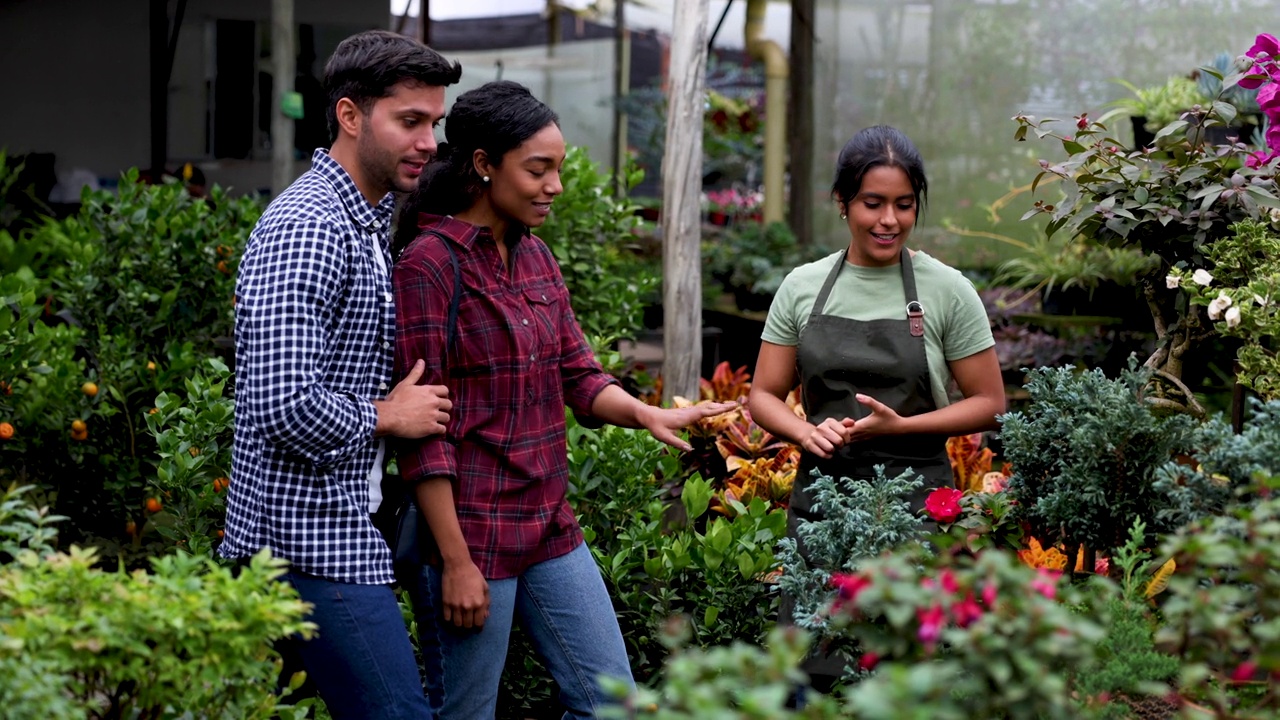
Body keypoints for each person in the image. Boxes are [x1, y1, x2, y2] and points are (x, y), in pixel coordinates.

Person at [390, 80, 736, 719]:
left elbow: (577, 373)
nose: (553, 185)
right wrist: (456, 561)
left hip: (548, 522)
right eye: (537, 169)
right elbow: (421, 432)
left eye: (559, 169)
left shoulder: (536, 259)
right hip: (474, 531)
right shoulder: (429, 267)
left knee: (612, 703)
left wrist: (646, 412)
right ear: (484, 164)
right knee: (465, 712)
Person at [219, 29, 461, 719]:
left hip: (334, 524)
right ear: (351, 116)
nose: (427, 142)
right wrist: (389, 414)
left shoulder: (363, 221)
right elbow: (283, 403)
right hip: (308, 541)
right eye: (409, 121)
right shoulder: (310, 228)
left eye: (433, 123)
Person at [746, 125, 1005, 686]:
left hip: (916, 503)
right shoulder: (803, 287)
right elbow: (762, 394)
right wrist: (801, 432)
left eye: (904, 205)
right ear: (843, 203)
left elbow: (989, 403)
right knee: (813, 664)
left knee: (909, 672)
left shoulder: (946, 290)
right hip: (822, 501)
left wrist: (906, 424)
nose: (889, 220)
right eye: (873, 203)